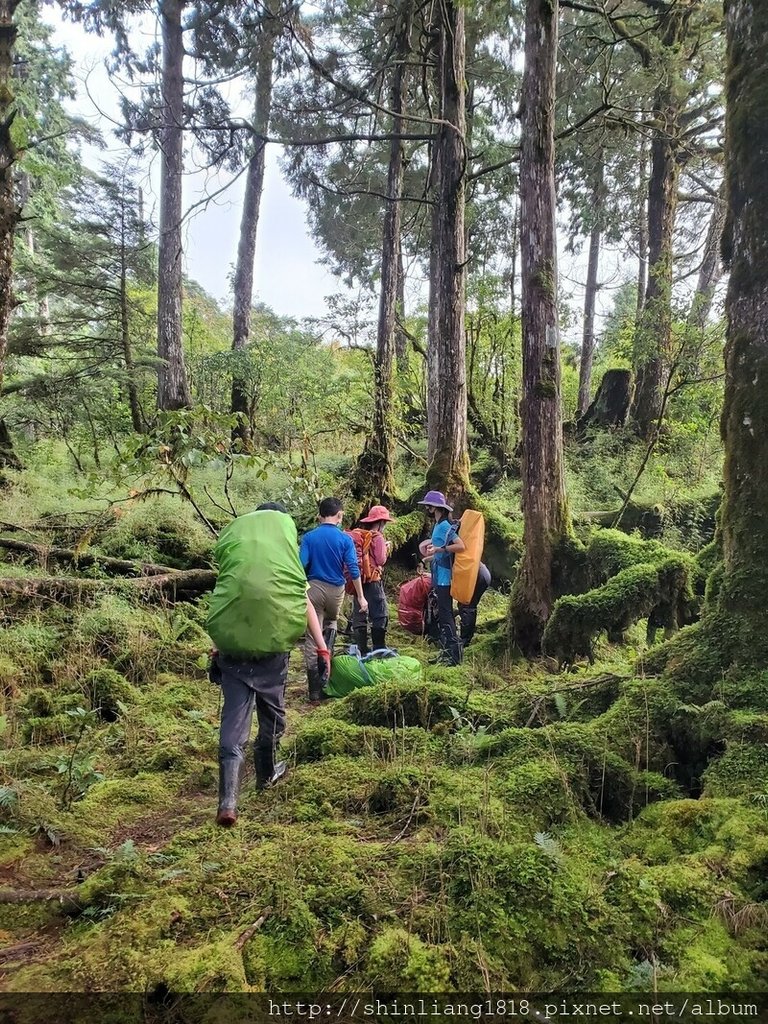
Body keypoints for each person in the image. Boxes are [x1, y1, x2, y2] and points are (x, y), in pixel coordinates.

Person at [207, 502, 331, 829]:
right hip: (273, 650)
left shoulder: (242, 556)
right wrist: (321, 647)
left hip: (233, 650)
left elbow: (229, 598)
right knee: (272, 713)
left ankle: (228, 800)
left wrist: (217, 646)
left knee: (234, 718)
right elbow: (304, 603)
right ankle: (266, 775)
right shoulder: (284, 561)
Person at [300, 497, 368, 702]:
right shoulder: (345, 539)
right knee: (331, 623)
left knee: (312, 637)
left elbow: (301, 565)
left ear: (319, 516)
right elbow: (353, 569)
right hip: (336, 591)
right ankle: (326, 675)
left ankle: (314, 690)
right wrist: (361, 597)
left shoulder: (309, 537)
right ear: (339, 515)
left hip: (313, 589)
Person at [417, 490, 465, 665]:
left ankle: (454, 655)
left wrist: (440, 550)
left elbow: (461, 546)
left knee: (446, 614)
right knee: (441, 614)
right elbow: (438, 551)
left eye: (428, 505)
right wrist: (427, 558)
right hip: (438, 574)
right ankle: (446, 652)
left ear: (435, 507)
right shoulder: (437, 525)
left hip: (446, 577)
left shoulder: (445, 525)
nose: (427, 508)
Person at [350, 504, 394, 655]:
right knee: (380, 613)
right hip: (373, 580)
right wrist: (386, 549)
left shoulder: (361, 534)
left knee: (360, 613)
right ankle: (379, 648)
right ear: (381, 522)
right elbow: (381, 560)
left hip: (358, 579)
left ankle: (361, 649)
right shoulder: (378, 537)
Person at [457, 562, 491, 645]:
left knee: (467, 605)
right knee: (468, 605)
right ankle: (467, 636)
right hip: (481, 572)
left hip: (476, 575)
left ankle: (465, 640)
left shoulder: (453, 552)